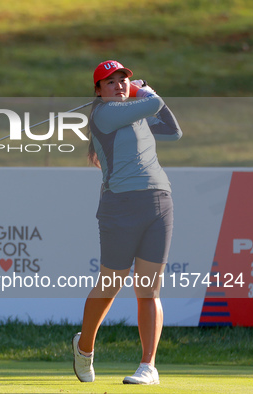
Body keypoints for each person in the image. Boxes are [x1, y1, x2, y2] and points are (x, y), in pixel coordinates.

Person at [72, 60, 182, 385]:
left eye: (123, 80)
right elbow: (154, 103)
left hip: (159, 202)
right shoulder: (102, 116)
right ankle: (84, 346)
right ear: (98, 90)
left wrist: (144, 95)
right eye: (111, 81)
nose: (119, 85)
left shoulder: (136, 115)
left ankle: (148, 365)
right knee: (110, 284)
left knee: (148, 289)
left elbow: (173, 130)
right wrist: (144, 91)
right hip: (119, 207)